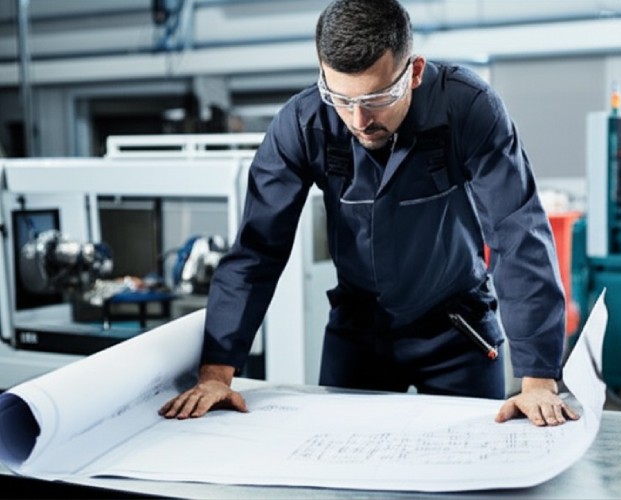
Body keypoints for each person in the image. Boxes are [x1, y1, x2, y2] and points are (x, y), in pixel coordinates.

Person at [160, 0, 578, 427]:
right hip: (359, 331)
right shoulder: (301, 125)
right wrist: (216, 373)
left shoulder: (468, 108)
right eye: (339, 98)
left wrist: (540, 378)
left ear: (413, 72)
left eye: (377, 98)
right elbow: (257, 249)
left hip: (458, 331)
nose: (358, 120)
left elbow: (517, 232)